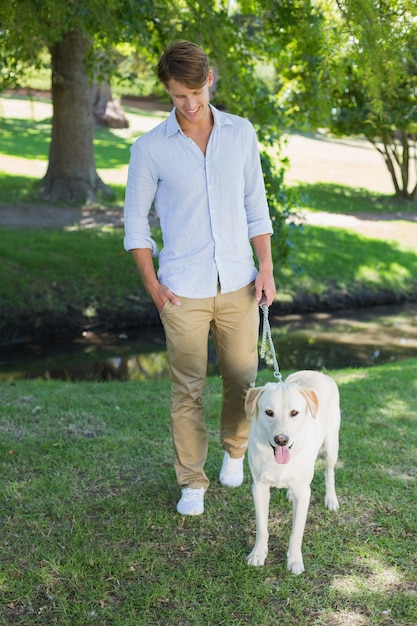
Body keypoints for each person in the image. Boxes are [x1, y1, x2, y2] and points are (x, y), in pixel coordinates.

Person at [124, 40, 276, 516]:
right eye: (177, 96)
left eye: (196, 91)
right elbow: (135, 225)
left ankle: (235, 449)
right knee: (187, 387)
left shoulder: (241, 133)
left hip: (239, 284)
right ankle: (192, 481)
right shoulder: (149, 149)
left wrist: (266, 266)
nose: (189, 105)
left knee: (241, 378)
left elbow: (256, 205)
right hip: (181, 291)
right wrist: (153, 285)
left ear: (209, 78)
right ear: (167, 92)